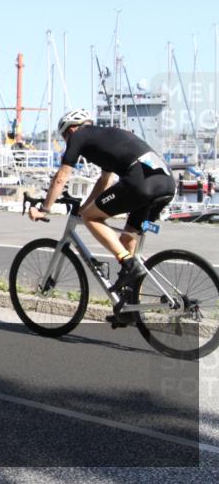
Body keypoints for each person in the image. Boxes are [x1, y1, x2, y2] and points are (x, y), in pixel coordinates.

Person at [29, 108, 176, 324]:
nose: (67, 141)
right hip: (166, 183)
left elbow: (61, 177)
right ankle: (129, 305)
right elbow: (104, 182)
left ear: (71, 129)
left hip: (140, 183)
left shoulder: (79, 136)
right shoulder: (107, 137)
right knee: (127, 238)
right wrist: (83, 209)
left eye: (65, 137)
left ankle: (128, 264)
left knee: (93, 219)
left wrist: (44, 209)